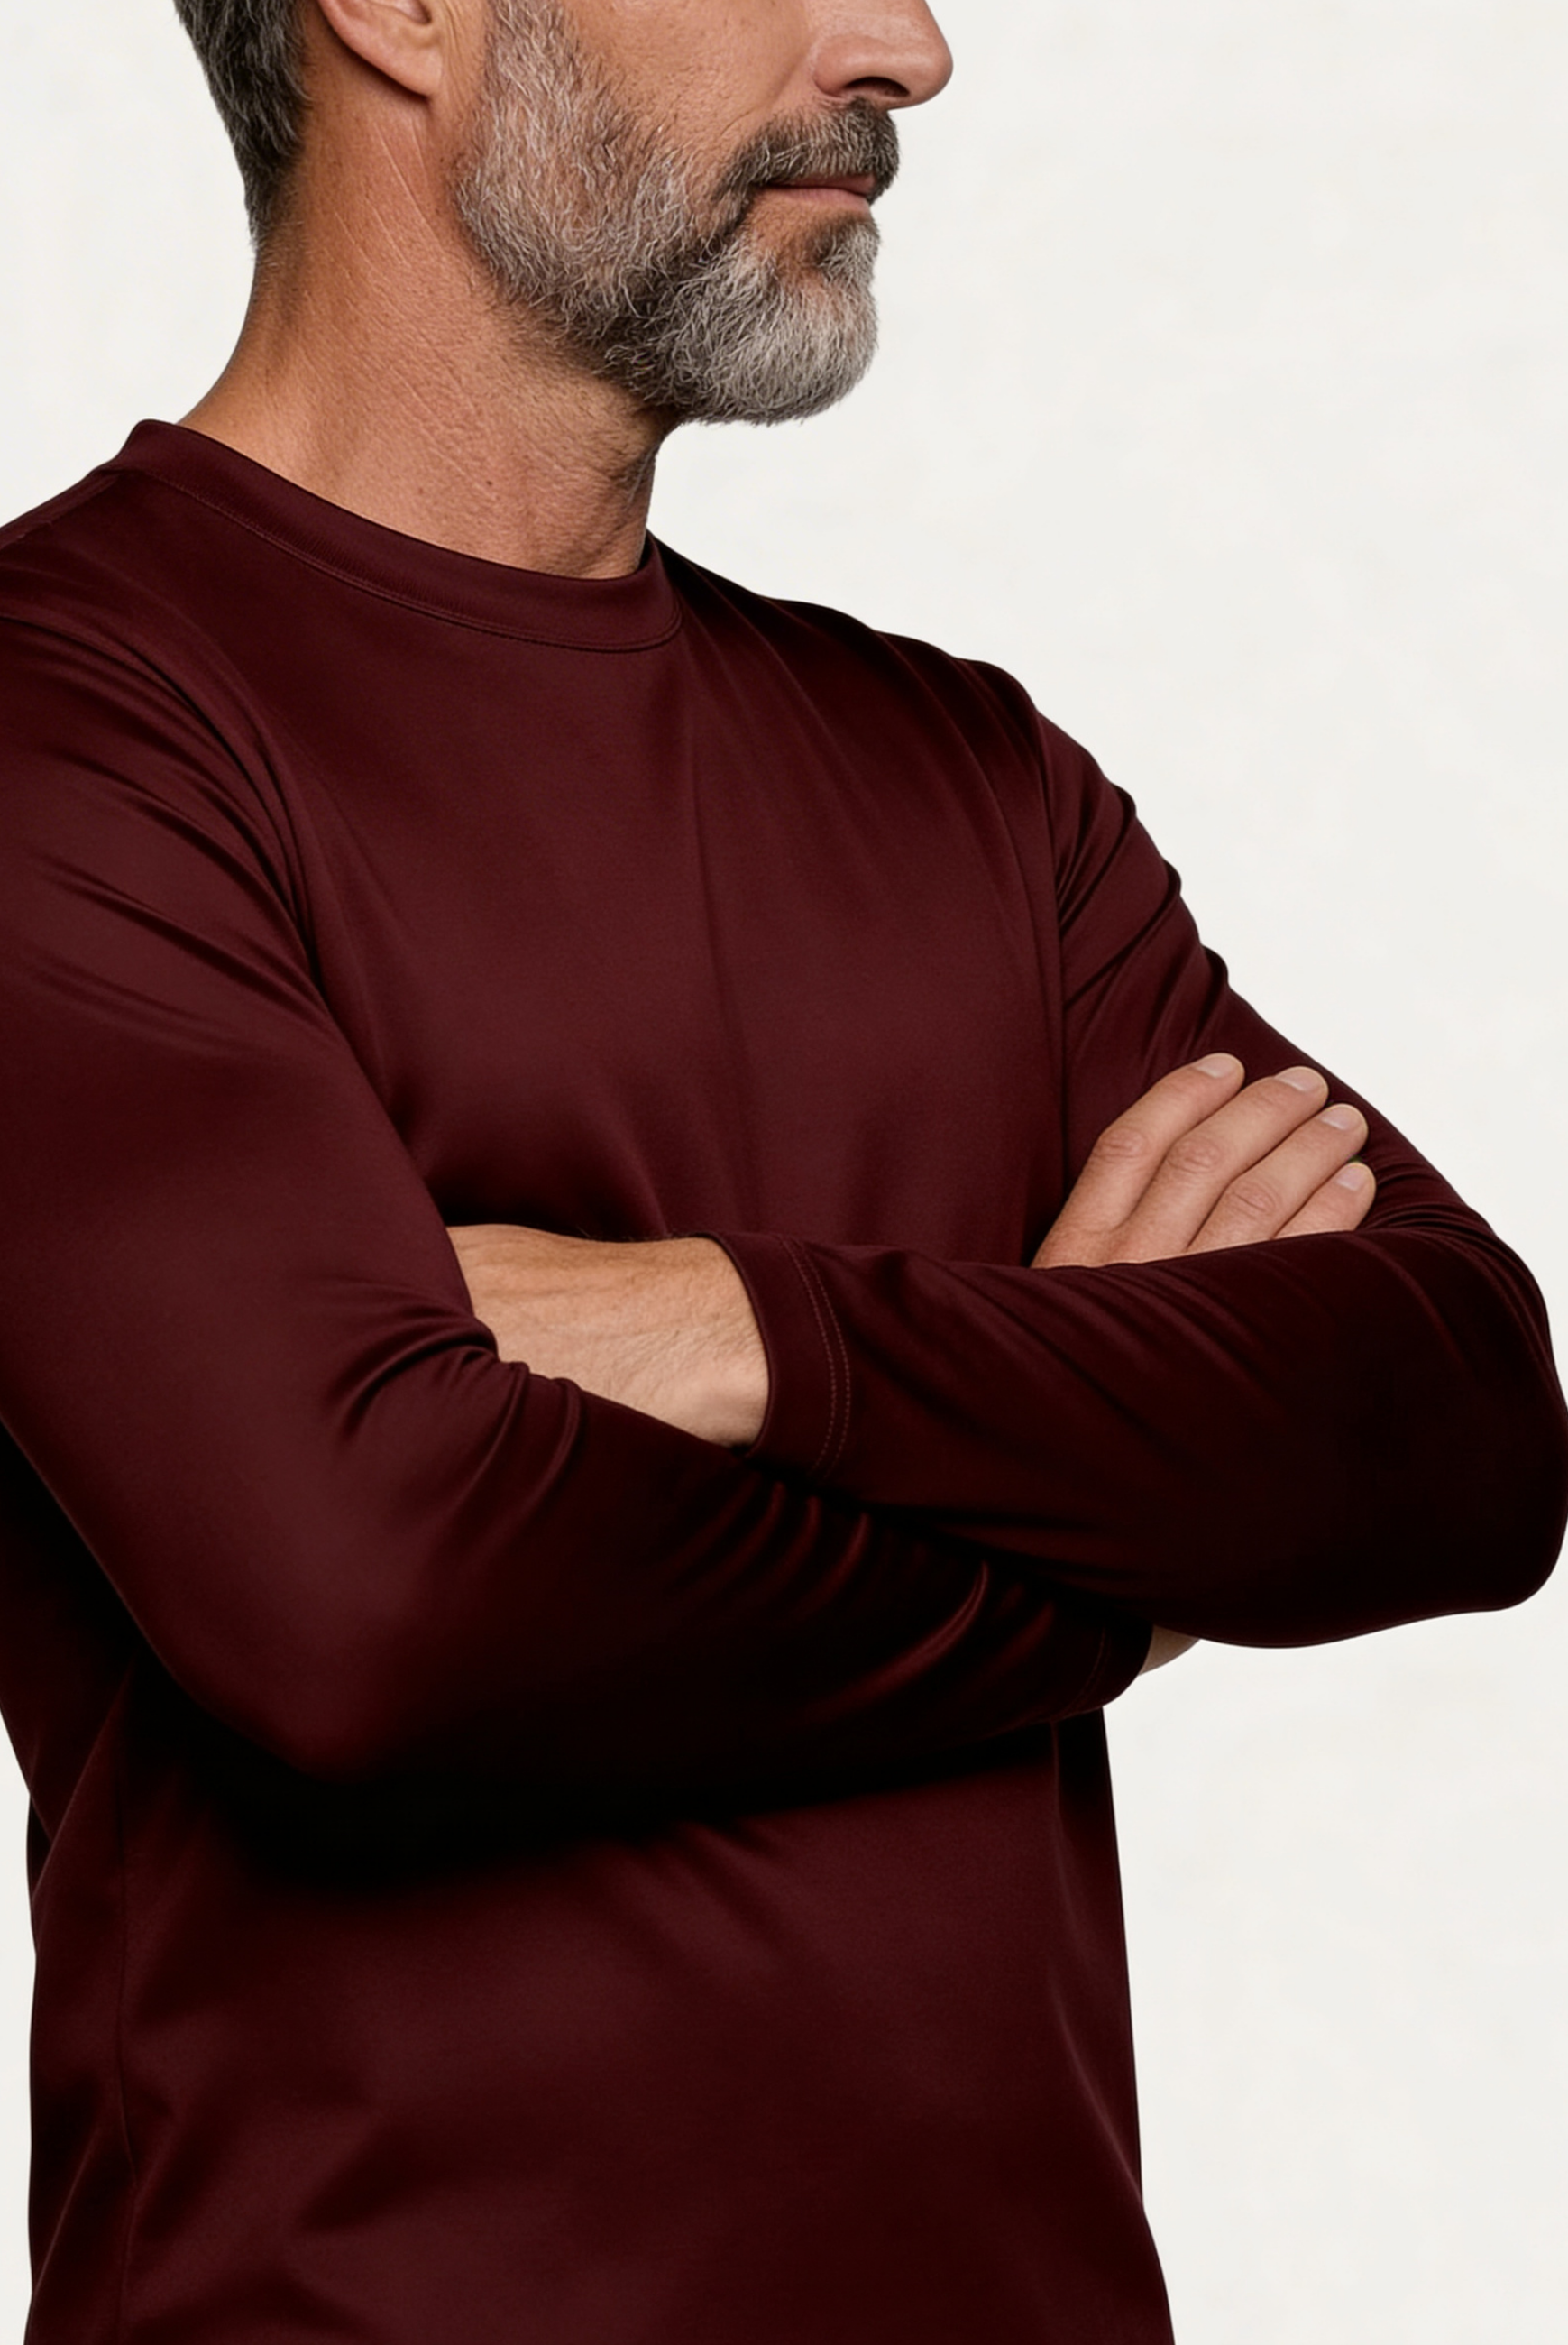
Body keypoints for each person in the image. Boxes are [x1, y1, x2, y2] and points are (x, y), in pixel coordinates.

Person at [0, 0, 1561, 2337]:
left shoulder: (973, 782)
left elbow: (1460, 1421)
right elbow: (375, 1608)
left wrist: (734, 1331)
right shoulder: (65, 728)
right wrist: (1105, 1558)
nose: (908, 49)